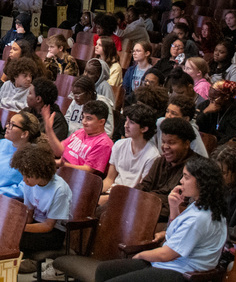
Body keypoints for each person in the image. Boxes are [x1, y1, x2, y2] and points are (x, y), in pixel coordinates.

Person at [95, 156, 228, 281]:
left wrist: (141, 255)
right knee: (104, 270)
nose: (181, 181)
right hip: (170, 264)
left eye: (186, 177)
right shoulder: (202, 205)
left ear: (201, 182)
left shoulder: (200, 218)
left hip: (180, 272)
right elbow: (174, 234)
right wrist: (174, 207)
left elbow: (166, 254)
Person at [12, 142, 73, 262]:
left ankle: (26, 262)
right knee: (7, 234)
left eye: (27, 176)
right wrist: (15, 226)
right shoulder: (30, 183)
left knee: (16, 238)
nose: (24, 180)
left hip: (54, 232)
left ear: (41, 171)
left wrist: (20, 228)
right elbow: (29, 215)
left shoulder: (60, 189)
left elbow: (48, 226)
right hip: (36, 223)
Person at [99, 103, 161, 204]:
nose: (125, 125)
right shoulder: (119, 145)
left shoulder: (152, 156)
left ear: (144, 128)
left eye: (131, 122)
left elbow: (141, 190)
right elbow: (109, 179)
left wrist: (107, 199)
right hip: (112, 192)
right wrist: (94, 193)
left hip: (130, 199)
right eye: (126, 120)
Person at [140, 117, 196, 221]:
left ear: (186, 144)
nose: (165, 147)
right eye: (163, 142)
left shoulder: (194, 168)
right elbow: (143, 187)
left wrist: (146, 206)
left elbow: (181, 206)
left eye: (171, 142)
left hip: (169, 219)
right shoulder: (160, 161)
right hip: (146, 211)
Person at [46, 100, 114, 177]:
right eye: (83, 117)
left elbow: (88, 170)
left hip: (77, 179)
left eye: (89, 118)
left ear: (101, 122)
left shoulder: (104, 143)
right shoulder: (81, 131)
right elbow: (59, 151)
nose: (84, 122)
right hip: (60, 171)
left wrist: (63, 165)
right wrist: (49, 130)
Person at [196, 80, 236, 145]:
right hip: (202, 144)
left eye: (214, 98)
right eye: (209, 98)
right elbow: (193, 126)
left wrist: (215, 146)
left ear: (226, 97)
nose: (211, 101)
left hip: (224, 147)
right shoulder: (206, 105)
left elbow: (233, 137)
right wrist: (205, 112)